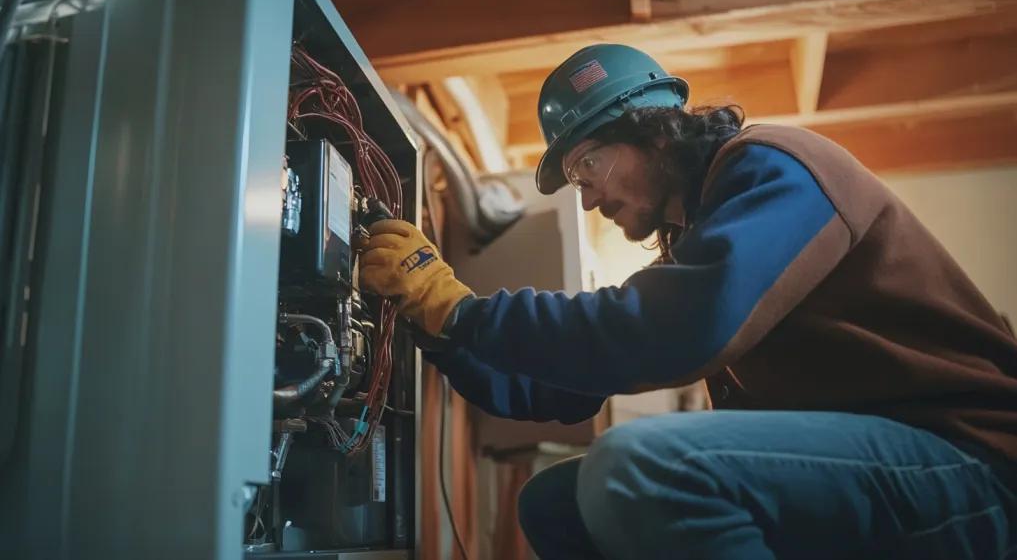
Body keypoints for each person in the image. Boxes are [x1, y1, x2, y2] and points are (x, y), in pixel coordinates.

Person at [359, 44, 1017, 559]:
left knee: (639, 463)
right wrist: (440, 325)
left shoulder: (774, 166)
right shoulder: (694, 241)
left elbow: (676, 332)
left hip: (969, 465)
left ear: (651, 129)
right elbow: (554, 393)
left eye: (587, 165)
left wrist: (466, 310)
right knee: (555, 503)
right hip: (881, 469)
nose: (585, 197)